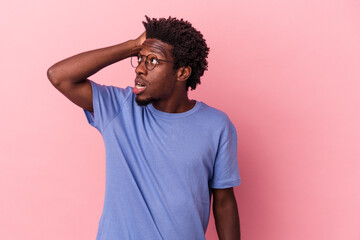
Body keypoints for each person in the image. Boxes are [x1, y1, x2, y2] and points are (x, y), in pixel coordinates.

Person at [47, 15, 241, 240]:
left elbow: (224, 202)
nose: (139, 68)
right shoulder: (119, 108)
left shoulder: (216, 125)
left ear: (182, 73)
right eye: (140, 58)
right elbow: (59, 76)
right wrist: (133, 45)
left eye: (153, 61)